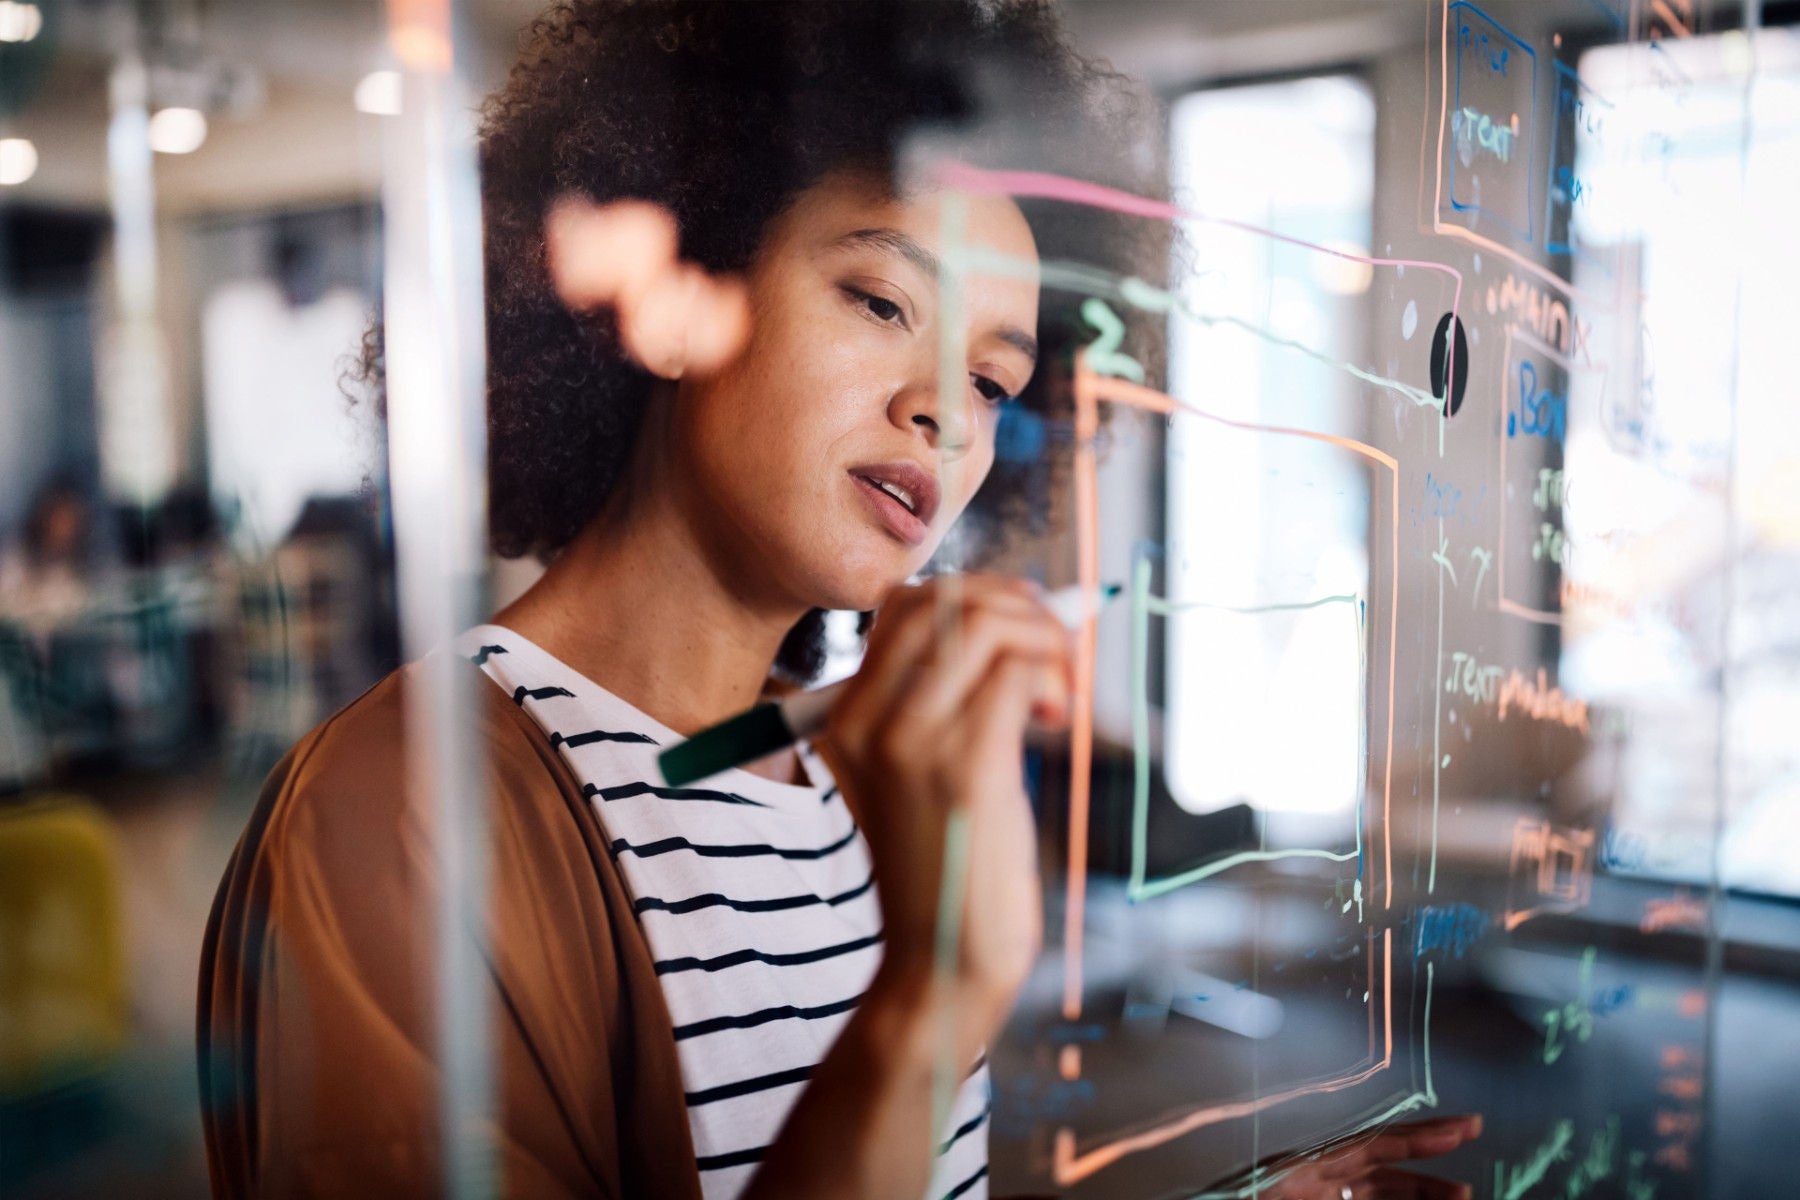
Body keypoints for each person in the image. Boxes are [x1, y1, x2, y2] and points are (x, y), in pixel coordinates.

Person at [197, 3, 1480, 1198]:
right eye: (880, 300)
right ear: (678, 298)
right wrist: (924, 1005)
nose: (943, 412)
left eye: (992, 381)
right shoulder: (403, 809)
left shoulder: (853, 776)